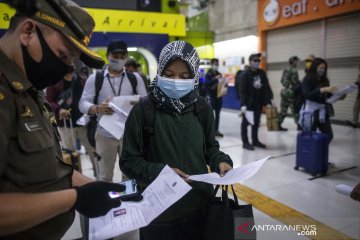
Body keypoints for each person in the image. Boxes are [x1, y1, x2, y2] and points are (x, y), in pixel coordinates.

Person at [0, 1, 127, 238]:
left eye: (71, 61)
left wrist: (91, 185)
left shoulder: (30, 88)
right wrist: (75, 198)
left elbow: (46, 167)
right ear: (28, 31)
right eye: (62, 56)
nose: (66, 67)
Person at [120, 40, 233, 240]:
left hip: (200, 206)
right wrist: (160, 172)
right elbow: (128, 162)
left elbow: (211, 150)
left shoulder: (202, 109)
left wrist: (221, 162)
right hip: (158, 213)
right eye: (169, 75)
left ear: (194, 76)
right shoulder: (143, 111)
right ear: (160, 71)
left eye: (185, 76)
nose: (176, 81)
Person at [79, 40, 147, 182]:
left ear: (127, 57)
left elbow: (146, 100)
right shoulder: (95, 79)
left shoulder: (135, 79)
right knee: (104, 176)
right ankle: (108, 203)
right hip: (104, 134)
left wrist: (139, 102)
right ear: (108, 55)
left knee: (130, 175)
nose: (119, 59)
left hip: (130, 135)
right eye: (115, 56)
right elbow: (82, 103)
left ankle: (130, 202)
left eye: (123, 56)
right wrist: (97, 108)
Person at [46, 65, 97, 176]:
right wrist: (59, 110)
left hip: (83, 123)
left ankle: (97, 173)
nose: (70, 64)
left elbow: (89, 97)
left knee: (92, 149)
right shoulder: (54, 82)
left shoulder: (81, 80)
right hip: (65, 124)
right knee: (69, 152)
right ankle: (74, 177)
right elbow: (49, 100)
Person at [239, 53, 272, 150]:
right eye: (255, 60)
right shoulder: (245, 74)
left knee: (256, 122)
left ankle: (255, 140)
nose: (257, 62)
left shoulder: (261, 73)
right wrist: (243, 104)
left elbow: (266, 87)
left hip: (258, 102)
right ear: (250, 62)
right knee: (245, 123)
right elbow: (242, 90)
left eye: (258, 61)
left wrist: (270, 99)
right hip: (248, 103)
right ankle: (245, 142)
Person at [301, 58, 338, 144]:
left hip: (323, 111)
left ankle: (319, 151)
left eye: (324, 69)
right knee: (309, 135)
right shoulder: (307, 79)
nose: (322, 70)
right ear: (314, 67)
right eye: (320, 68)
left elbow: (328, 96)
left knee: (328, 135)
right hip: (311, 112)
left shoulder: (325, 80)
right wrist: (323, 90)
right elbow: (307, 94)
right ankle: (311, 153)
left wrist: (339, 96)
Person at [278, 56, 300, 131]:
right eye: (297, 61)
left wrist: (287, 85)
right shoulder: (294, 71)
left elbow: (282, 80)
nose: (298, 62)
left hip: (284, 92)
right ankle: (299, 125)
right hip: (291, 93)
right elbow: (295, 82)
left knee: (283, 110)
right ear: (293, 62)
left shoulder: (285, 69)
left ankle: (278, 124)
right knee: (295, 109)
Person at [205, 58, 224, 137]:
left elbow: (221, 84)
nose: (216, 66)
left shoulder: (219, 74)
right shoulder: (208, 74)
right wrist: (214, 79)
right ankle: (210, 131)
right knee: (210, 115)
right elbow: (207, 84)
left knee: (218, 114)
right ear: (211, 64)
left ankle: (216, 130)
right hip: (211, 97)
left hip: (218, 96)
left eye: (217, 64)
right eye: (215, 64)